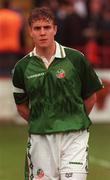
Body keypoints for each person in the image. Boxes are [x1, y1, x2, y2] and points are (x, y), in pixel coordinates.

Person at [12, 6, 103, 180]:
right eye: (37, 28)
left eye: (47, 27)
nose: (43, 32)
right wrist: (42, 121)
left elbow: (91, 97)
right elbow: (21, 106)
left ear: (55, 29)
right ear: (30, 31)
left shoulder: (76, 59)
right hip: (40, 140)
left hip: (74, 136)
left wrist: (74, 118)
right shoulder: (21, 68)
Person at [0, 0, 26, 76]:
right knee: (11, 73)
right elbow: (21, 33)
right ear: (10, 5)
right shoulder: (16, 17)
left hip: (1, 48)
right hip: (13, 48)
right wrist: (23, 47)